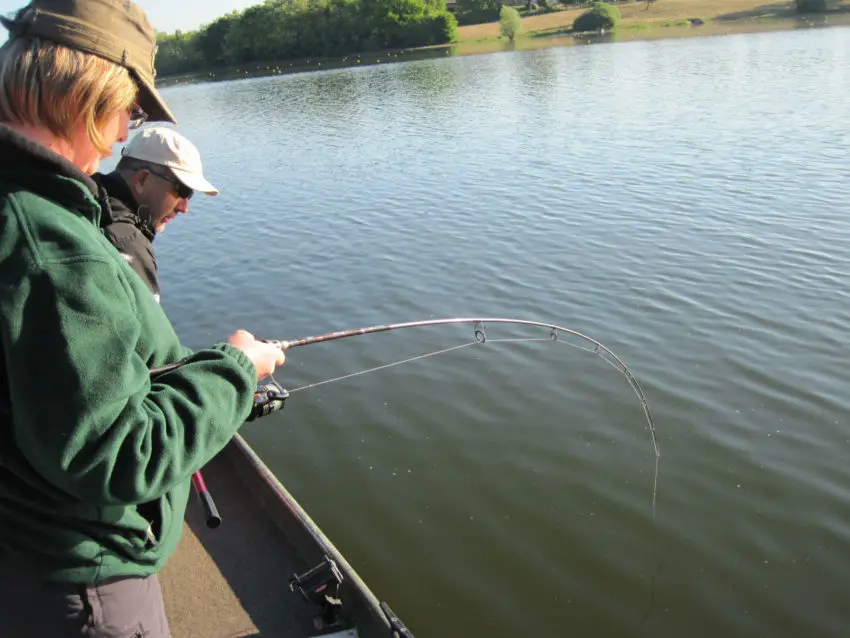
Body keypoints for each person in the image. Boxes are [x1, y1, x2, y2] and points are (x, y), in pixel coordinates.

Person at [0, 2, 286, 637]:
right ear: (87, 90)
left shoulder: (30, 208)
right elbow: (120, 454)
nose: (126, 128)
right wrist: (235, 370)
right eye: (130, 104)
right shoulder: (55, 245)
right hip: (85, 587)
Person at [95, 126, 219, 303]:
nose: (184, 208)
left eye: (190, 194)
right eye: (182, 190)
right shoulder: (127, 244)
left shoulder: (85, 199)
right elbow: (149, 331)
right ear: (143, 180)